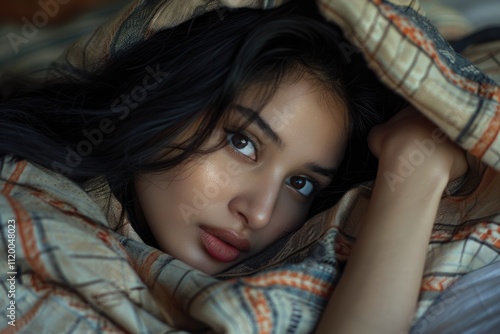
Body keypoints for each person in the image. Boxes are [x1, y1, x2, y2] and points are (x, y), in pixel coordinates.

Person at [0, 1, 474, 332]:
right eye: (243, 143)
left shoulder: (284, 273)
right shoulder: (14, 225)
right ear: (163, 97)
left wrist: (414, 174)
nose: (262, 213)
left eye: (301, 183)